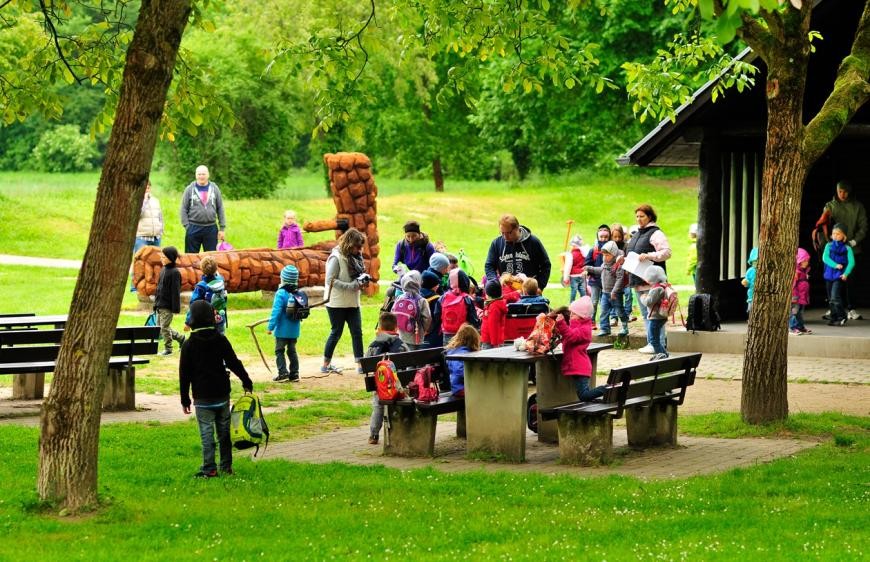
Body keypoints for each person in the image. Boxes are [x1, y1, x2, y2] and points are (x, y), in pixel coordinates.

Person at [180, 300, 253, 479]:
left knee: (206, 434)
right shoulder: (220, 339)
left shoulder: (189, 345)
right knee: (224, 433)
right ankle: (226, 466)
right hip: (221, 394)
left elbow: (184, 374)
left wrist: (185, 399)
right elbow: (233, 362)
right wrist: (246, 380)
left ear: (193, 319)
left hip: (202, 397)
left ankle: (209, 468)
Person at [624, 205, 671, 354]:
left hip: (652, 281)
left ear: (650, 217)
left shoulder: (656, 233)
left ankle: (659, 343)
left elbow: (667, 252)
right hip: (638, 280)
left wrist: (650, 255)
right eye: (637, 216)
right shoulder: (637, 234)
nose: (638, 219)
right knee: (646, 314)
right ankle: (652, 342)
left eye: (642, 216)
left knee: (655, 314)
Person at [818, 181, 866, 319]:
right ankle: (832, 307)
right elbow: (824, 225)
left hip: (852, 248)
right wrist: (828, 241)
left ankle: (851, 308)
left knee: (850, 280)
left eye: (845, 191)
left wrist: (854, 241)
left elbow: (863, 226)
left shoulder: (858, 207)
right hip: (833, 251)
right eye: (840, 191)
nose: (842, 194)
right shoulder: (830, 206)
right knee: (830, 279)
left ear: (849, 192)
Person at [322, 228, 367, 373]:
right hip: (336, 303)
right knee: (336, 332)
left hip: (353, 302)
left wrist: (362, 282)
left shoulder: (356, 257)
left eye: (361, 246)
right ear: (349, 244)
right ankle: (325, 363)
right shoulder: (336, 257)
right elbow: (330, 280)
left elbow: (357, 276)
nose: (359, 250)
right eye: (357, 246)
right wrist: (351, 286)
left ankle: (360, 364)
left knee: (357, 332)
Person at [550, 297, 608, 401]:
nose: (570, 316)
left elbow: (570, 336)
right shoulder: (576, 326)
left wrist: (562, 324)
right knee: (584, 394)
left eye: (573, 314)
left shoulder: (584, 330)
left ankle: (607, 389)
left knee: (584, 395)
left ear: (582, 316)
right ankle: (602, 395)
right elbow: (566, 336)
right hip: (577, 366)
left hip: (580, 367)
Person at [365, 312, 409, 445]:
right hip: (398, 387)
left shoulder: (372, 346)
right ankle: (402, 433)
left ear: (380, 328)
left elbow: (364, 368)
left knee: (378, 405)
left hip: (380, 388)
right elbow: (410, 365)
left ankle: (373, 435)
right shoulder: (402, 346)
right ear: (396, 328)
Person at [484, 214, 551, 290]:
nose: (505, 237)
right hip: (506, 292)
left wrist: (539, 287)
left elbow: (546, 265)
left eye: (509, 233)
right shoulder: (496, 243)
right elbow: (489, 266)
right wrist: (495, 284)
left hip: (528, 292)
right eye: (502, 233)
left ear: (517, 228)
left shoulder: (533, 242)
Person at [584, 241, 628, 337]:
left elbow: (620, 279)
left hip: (615, 294)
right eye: (604, 255)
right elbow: (600, 270)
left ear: (614, 254)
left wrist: (614, 291)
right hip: (605, 293)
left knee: (619, 311)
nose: (605, 257)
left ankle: (624, 326)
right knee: (604, 311)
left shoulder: (618, 266)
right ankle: (605, 328)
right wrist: (589, 268)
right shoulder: (605, 264)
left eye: (607, 255)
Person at [180, 165, 227, 253]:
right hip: (193, 227)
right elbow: (183, 209)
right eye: (199, 174)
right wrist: (187, 226)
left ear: (208, 175)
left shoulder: (215, 189)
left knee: (211, 257)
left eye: (203, 174)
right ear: (196, 175)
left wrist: (222, 228)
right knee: (191, 258)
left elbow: (220, 208)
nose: (201, 176)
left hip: (211, 228)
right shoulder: (189, 189)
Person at [267, 265, 302, 382]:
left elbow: (275, 312)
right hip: (294, 330)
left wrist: (270, 327)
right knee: (292, 351)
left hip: (282, 330)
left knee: (279, 350)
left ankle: (283, 373)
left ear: (283, 279)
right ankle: (295, 374)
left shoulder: (281, 293)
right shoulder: (298, 293)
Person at [433, 268, 480, 345]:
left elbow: (436, 315)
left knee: (448, 352)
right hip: (463, 333)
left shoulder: (443, 298)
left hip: (447, 333)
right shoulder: (467, 299)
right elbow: (473, 319)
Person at [131, 179, 163, 291]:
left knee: (156, 262)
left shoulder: (155, 200)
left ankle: (153, 285)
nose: (147, 189)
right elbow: (138, 215)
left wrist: (160, 230)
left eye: (148, 187)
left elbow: (160, 216)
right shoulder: (137, 200)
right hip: (142, 236)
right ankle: (135, 286)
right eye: (145, 187)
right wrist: (143, 200)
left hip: (155, 236)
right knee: (139, 262)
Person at [153, 246, 186, 356]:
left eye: (163, 256)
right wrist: (155, 304)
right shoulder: (163, 270)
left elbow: (175, 291)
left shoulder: (175, 272)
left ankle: (168, 349)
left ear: (170, 258)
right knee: (161, 328)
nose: (161, 258)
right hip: (160, 305)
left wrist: (175, 307)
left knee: (164, 327)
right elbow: (159, 289)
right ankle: (181, 339)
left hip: (167, 306)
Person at [823, 224, 856, 326]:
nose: (835, 236)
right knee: (830, 299)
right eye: (833, 234)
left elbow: (851, 262)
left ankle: (842, 316)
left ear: (844, 236)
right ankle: (834, 317)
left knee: (834, 297)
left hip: (839, 276)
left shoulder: (847, 248)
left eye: (838, 234)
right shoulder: (828, 246)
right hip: (829, 275)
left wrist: (846, 273)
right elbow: (825, 258)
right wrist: (835, 265)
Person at [186, 256, 227, 334]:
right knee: (220, 339)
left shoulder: (201, 286)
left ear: (202, 270)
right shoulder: (221, 280)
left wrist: (188, 322)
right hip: (220, 317)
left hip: (206, 320)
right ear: (216, 268)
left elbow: (193, 305)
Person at [394, 271, 432, 350]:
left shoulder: (400, 298)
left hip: (401, 333)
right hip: (416, 335)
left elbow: (393, 312)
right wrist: (425, 329)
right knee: (414, 356)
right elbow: (427, 318)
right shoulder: (422, 300)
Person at [640, 266, 670, 360]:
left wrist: (643, 297)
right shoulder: (663, 286)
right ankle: (663, 355)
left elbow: (648, 302)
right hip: (660, 316)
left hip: (656, 317)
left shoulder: (657, 289)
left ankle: (662, 356)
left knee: (653, 340)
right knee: (655, 338)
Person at [445, 323, 481, 397]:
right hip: (460, 388)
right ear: (473, 340)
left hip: (461, 386)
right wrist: (474, 375)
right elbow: (458, 370)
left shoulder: (458, 350)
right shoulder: (460, 353)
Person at [585, 225, 611, 325]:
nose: (603, 239)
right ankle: (591, 320)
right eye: (601, 237)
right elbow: (587, 263)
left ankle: (605, 321)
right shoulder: (593, 250)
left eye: (606, 237)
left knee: (605, 302)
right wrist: (589, 271)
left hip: (607, 281)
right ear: (598, 237)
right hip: (595, 280)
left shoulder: (611, 250)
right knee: (594, 302)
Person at [609, 222, 634, 325]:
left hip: (625, 276)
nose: (617, 239)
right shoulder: (610, 246)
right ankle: (613, 317)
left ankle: (627, 314)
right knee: (614, 297)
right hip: (613, 276)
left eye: (619, 236)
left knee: (628, 295)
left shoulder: (626, 246)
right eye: (615, 237)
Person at [790, 248, 812, 335]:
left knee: (799, 314)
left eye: (807, 260)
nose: (806, 262)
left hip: (802, 297)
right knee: (794, 312)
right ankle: (792, 328)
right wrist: (794, 297)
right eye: (804, 260)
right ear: (798, 260)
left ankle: (800, 327)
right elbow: (793, 286)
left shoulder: (803, 271)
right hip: (795, 297)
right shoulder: (796, 272)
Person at [480, 279, 508, 349]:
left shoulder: (494, 307)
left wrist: (495, 344)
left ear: (489, 295)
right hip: (489, 339)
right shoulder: (493, 303)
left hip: (490, 341)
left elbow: (493, 325)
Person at [562, 235, 586, 302]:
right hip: (582, 274)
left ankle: (572, 303)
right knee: (582, 290)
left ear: (573, 245)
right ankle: (584, 302)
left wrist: (565, 278)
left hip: (574, 276)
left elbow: (568, 267)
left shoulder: (570, 254)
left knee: (574, 290)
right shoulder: (584, 253)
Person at [741, 248, 758, 314]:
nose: (756, 262)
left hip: (763, 296)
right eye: (754, 261)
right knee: (752, 311)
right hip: (752, 295)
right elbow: (747, 282)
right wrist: (746, 282)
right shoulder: (750, 271)